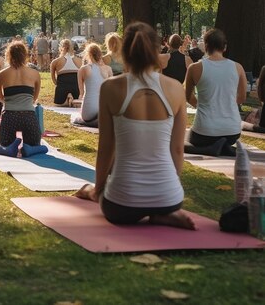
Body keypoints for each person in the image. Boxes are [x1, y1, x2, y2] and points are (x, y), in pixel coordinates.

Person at [75, 22, 194, 230]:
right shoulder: (175, 88)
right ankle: (161, 214)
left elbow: (106, 148)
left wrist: (99, 189)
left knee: (98, 193)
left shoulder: (111, 88)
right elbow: (177, 148)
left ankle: (89, 190)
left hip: (123, 203)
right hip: (169, 199)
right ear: (157, 52)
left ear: (125, 52)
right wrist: (168, 189)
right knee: (159, 202)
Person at [184, 28, 247, 156]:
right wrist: (226, 104)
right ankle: (224, 146)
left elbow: (188, 96)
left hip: (204, 131)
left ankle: (211, 148)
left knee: (184, 141)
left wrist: (201, 105)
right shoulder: (238, 68)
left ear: (206, 46)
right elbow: (242, 98)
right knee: (220, 139)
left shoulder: (195, 68)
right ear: (224, 47)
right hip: (232, 131)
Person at [0, 41, 42, 147]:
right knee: (34, 146)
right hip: (29, 116)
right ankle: (27, 149)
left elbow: (1, 98)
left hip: (9, 116)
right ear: (25, 55)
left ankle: (13, 147)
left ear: (8, 55)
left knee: (5, 145)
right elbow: (34, 98)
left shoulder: (1, 74)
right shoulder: (35, 74)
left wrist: (11, 103)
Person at [74, 43, 112, 127]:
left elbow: (81, 93)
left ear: (88, 55)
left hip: (89, 112)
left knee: (77, 117)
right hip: (105, 109)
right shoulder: (108, 69)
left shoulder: (83, 69)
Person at [50, 39, 82, 106]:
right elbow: (83, 79)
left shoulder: (55, 62)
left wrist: (59, 85)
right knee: (78, 105)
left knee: (59, 105)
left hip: (62, 86)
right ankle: (71, 99)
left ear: (60, 48)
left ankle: (67, 98)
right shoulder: (80, 61)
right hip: (76, 86)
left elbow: (53, 79)